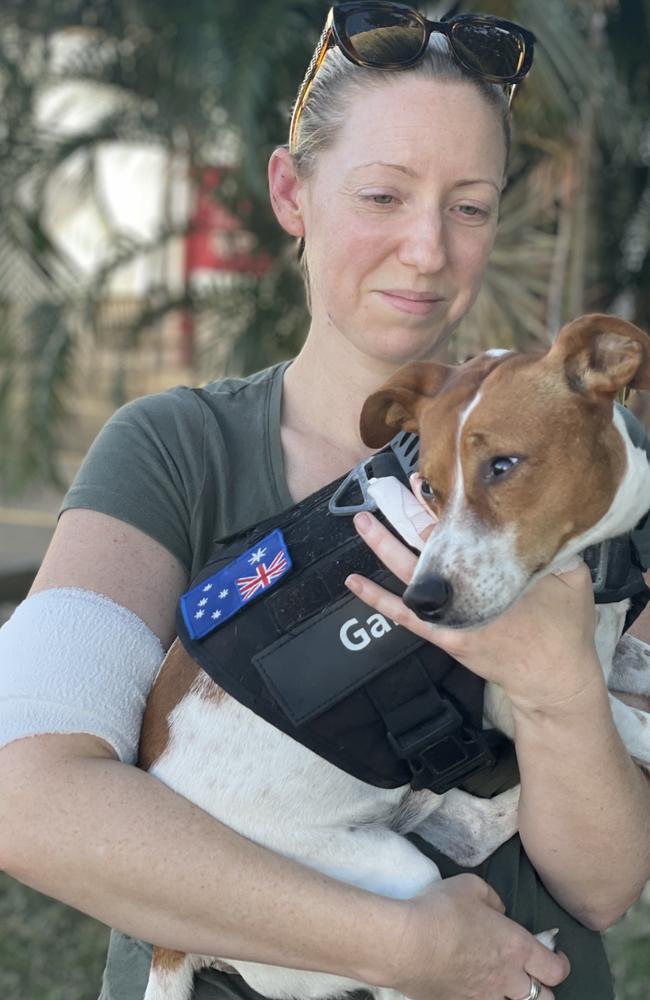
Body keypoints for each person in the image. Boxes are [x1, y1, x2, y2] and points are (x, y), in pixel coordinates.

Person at [1, 5, 650, 1000]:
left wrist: (560, 682)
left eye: (468, 206)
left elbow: (601, 884)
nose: (427, 249)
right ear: (289, 192)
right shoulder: (175, 451)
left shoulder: (605, 475)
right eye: (383, 194)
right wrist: (396, 944)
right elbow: (26, 798)